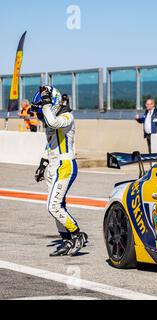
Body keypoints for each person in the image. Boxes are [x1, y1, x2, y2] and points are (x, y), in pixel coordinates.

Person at [31, 86, 87, 257]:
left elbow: (53, 122)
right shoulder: (50, 120)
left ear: (51, 103)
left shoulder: (66, 117)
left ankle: (78, 235)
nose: (40, 113)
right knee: (59, 205)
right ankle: (66, 240)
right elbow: (50, 144)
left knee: (53, 206)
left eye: (42, 108)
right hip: (54, 166)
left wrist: (46, 101)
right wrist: (43, 163)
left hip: (65, 166)